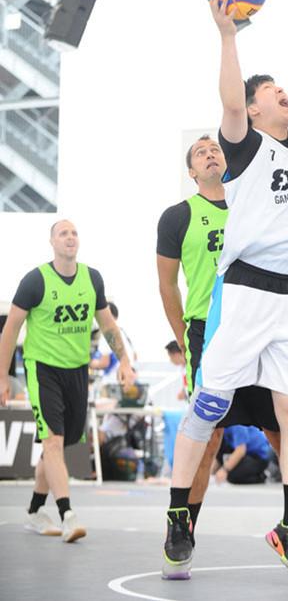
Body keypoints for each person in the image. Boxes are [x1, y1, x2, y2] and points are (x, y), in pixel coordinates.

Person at [165, 0, 288, 579]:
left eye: (283, 87)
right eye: (271, 90)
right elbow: (229, 99)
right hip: (248, 291)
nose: (283, 93)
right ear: (252, 110)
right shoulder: (244, 146)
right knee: (209, 407)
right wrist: (228, 36)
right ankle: (178, 515)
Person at [156, 135, 288, 580]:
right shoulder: (179, 216)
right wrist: (185, 337)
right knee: (209, 434)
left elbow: (285, 263)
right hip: (210, 328)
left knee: (283, 426)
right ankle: (182, 533)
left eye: (214, 148)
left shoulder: (253, 199)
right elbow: (167, 285)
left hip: (263, 321)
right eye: (200, 152)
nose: (210, 153)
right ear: (191, 172)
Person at [0, 219, 136, 541]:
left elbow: (108, 325)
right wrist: (3, 376)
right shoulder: (36, 280)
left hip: (76, 371)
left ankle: (35, 511)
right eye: (63, 233)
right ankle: (68, 515)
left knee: (57, 445)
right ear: (52, 242)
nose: (70, 237)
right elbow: (11, 329)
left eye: (74, 232)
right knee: (53, 442)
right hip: (42, 369)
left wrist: (125, 361)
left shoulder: (92, 278)